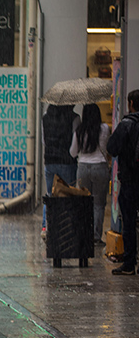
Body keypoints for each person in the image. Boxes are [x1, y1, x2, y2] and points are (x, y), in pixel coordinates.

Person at [107, 90, 139, 275]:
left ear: (131, 103)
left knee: (128, 223)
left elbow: (112, 147)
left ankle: (129, 264)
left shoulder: (126, 124)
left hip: (128, 180)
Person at [70, 103, 111, 246]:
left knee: (84, 203)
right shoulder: (105, 128)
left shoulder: (79, 131)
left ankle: (84, 233)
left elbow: (73, 152)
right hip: (100, 167)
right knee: (98, 204)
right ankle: (96, 236)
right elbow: (108, 147)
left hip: (83, 168)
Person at [42, 104, 81, 238]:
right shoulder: (75, 118)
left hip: (49, 161)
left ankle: (46, 227)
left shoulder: (45, 118)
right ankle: (67, 228)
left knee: (50, 195)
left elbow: (44, 141)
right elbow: (75, 144)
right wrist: (70, 155)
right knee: (67, 195)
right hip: (66, 162)